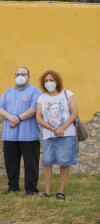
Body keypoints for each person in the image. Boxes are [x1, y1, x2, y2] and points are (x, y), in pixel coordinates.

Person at [0, 67, 43, 196]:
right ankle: (13, 187)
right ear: (14, 77)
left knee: (31, 164)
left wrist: (18, 118)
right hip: (10, 136)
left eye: (23, 74)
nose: (20, 76)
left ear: (28, 76)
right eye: (17, 74)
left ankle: (31, 189)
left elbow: (34, 109)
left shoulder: (35, 91)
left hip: (29, 135)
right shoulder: (7, 92)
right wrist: (10, 117)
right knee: (10, 163)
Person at [36, 70, 78, 201]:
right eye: (46, 80)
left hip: (66, 134)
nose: (49, 83)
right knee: (46, 162)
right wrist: (53, 129)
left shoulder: (67, 94)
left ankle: (61, 192)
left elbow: (74, 113)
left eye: (51, 80)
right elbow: (38, 118)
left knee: (64, 162)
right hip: (49, 135)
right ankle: (47, 192)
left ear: (57, 81)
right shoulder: (42, 98)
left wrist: (62, 128)